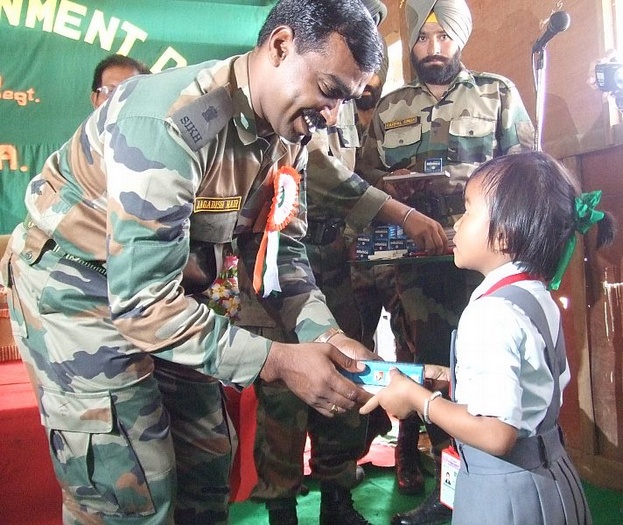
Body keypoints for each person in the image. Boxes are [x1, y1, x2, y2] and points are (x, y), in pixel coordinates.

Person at [0, 1, 385, 524]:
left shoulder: (288, 130)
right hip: (77, 292)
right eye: (329, 90)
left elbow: (279, 251)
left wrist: (326, 336)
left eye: (347, 100)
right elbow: (142, 305)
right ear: (280, 46)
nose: (333, 115)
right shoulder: (169, 121)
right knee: (131, 492)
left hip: (168, 294)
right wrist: (277, 361)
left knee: (207, 464)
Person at [243, 3, 449, 523]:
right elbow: (320, 171)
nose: (334, 112)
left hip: (334, 261)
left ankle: (338, 494)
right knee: (283, 396)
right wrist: (400, 212)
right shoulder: (285, 88)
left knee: (347, 375)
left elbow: (353, 172)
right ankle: (282, 507)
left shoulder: (347, 93)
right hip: (277, 264)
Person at [361, 151, 615, 525]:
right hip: (551, 480)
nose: (457, 223)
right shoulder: (533, 295)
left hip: (504, 495)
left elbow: (496, 434)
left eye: (467, 211)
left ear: (505, 232)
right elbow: (527, 381)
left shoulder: (489, 313)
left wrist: (417, 398)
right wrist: (448, 377)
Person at [356, 1, 535, 522]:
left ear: (460, 39)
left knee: (479, 370)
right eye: (423, 38)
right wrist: (396, 198)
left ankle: (477, 481)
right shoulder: (392, 107)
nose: (433, 48)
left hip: (484, 263)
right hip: (417, 268)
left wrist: (471, 184)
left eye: (444, 37)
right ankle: (444, 484)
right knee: (432, 364)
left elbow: (527, 170)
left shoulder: (496, 93)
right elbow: (364, 180)